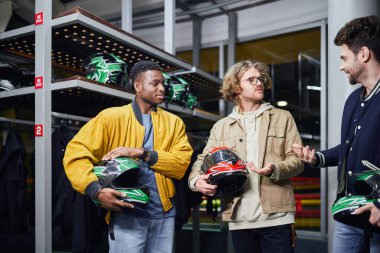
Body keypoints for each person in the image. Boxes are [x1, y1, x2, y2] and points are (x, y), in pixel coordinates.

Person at [63, 60, 193, 253]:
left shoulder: (174, 123)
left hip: (164, 215)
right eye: (155, 83)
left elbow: (181, 164)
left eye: (163, 83)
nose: (162, 88)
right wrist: (95, 191)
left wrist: (142, 153)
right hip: (127, 214)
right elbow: (75, 153)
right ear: (138, 86)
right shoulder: (111, 117)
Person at [188, 60, 303, 253]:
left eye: (261, 78)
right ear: (235, 87)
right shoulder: (221, 126)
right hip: (240, 220)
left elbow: (298, 160)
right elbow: (203, 160)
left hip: (277, 218)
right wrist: (195, 181)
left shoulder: (283, 117)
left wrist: (275, 169)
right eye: (251, 79)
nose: (259, 83)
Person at [291, 15, 380, 252]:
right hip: (348, 213)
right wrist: (316, 158)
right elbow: (348, 147)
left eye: (344, 58)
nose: (341, 66)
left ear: (363, 54)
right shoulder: (353, 99)